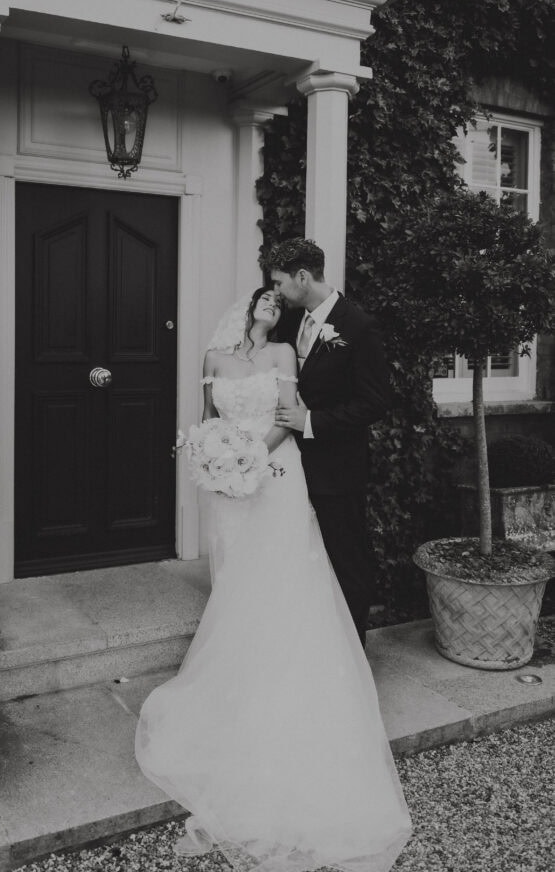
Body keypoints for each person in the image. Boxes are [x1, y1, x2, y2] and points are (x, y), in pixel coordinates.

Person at [135, 287, 411, 872]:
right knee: (237, 579)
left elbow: (288, 419)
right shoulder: (214, 359)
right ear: (242, 309)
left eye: (273, 297)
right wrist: (215, 457)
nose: (267, 301)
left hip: (276, 473)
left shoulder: (286, 354)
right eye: (258, 296)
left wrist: (249, 458)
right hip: (232, 487)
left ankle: (290, 671)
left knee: (286, 569)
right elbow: (208, 421)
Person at [268, 238, 390, 647]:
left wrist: (311, 421)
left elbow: (374, 403)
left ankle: (351, 653)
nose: (278, 292)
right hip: (289, 465)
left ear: (303, 277)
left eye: (281, 282)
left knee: (346, 559)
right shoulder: (291, 321)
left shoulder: (359, 326)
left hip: (337, 467)